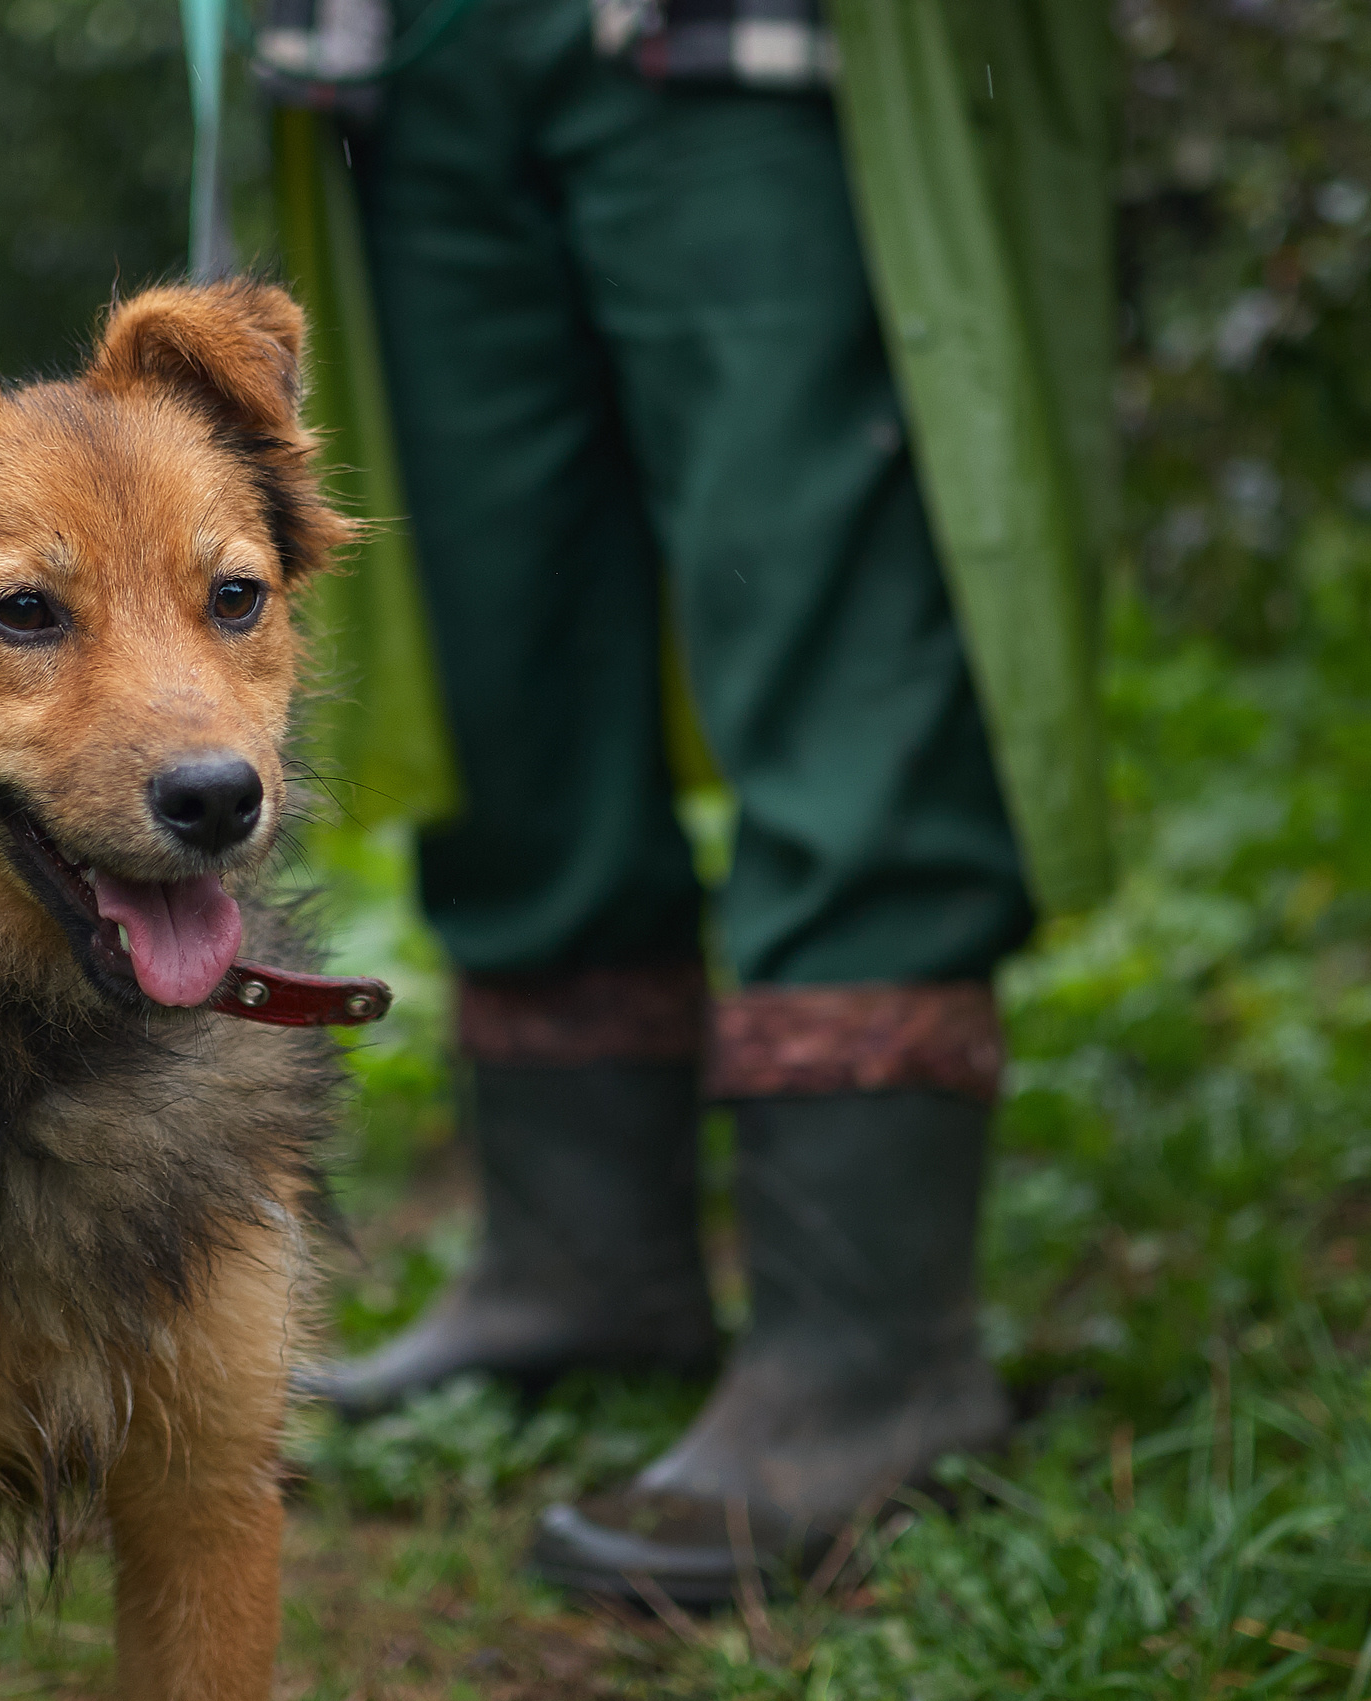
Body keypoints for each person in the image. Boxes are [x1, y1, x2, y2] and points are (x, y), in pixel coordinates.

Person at [256, 0, 1114, 1605]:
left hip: (752, 45)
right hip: (409, 49)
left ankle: (869, 1351)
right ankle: (582, 1265)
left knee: (835, 612)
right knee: (499, 629)